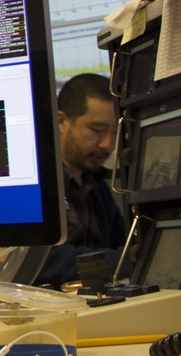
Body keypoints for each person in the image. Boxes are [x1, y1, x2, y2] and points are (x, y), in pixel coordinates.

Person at [36, 73, 126, 288]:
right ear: (61, 121)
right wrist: (124, 261)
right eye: (96, 130)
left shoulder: (97, 187)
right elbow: (40, 263)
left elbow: (126, 246)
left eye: (114, 133)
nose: (107, 144)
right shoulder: (37, 183)